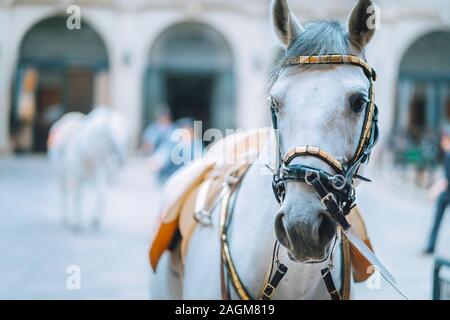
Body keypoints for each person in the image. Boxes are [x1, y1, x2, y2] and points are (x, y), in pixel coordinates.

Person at [424, 126, 450, 254]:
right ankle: (430, 247)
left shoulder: (448, 155)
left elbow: (447, 179)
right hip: (446, 193)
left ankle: (430, 247)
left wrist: (435, 190)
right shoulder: (447, 154)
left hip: (446, 194)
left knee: (437, 222)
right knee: (437, 221)